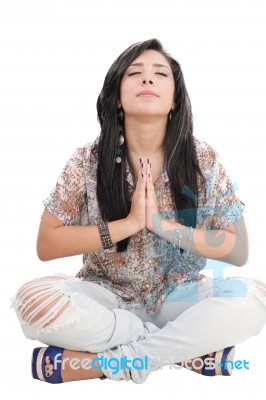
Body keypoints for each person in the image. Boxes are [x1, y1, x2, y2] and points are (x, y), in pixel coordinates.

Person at [11, 38, 266, 384]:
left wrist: (161, 225)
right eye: (135, 73)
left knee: (255, 298)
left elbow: (238, 251)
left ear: (175, 99)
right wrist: (128, 224)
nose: (148, 79)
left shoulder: (202, 159)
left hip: (179, 297)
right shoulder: (86, 159)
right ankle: (181, 353)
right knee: (31, 304)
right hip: (106, 299)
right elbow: (47, 245)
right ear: (117, 96)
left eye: (160, 73)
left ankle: (113, 363)